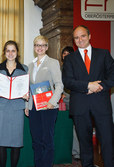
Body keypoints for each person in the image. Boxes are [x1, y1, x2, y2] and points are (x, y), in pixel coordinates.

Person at [62, 25, 114, 167]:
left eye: (83, 36)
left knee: (107, 142)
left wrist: (98, 86)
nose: (80, 39)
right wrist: (87, 86)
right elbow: (67, 81)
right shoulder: (69, 59)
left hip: (101, 104)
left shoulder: (103, 54)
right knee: (84, 145)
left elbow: (112, 75)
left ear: (89, 36)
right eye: (76, 37)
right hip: (80, 105)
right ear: (74, 40)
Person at [25, 35, 64, 167]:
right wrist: (27, 105)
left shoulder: (53, 62)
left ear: (47, 47)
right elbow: (28, 88)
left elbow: (59, 85)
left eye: (42, 45)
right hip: (34, 107)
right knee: (36, 141)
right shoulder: (30, 65)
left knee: (47, 140)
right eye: (37, 45)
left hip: (48, 107)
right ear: (34, 47)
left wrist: (53, 102)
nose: (39, 48)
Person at [0, 40, 29, 167]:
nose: (10, 53)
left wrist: (26, 94)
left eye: (13, 50)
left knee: (16, 143)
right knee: (1, 142)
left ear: (17, 52)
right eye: (8, 50)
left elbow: (28, 88)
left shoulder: (24, 69)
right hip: (1, 108)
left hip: (17, 108)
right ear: (4, 53)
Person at [61, 46, 81, 160]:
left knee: (76, 126)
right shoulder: (60, 67)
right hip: (62, 101)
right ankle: (65, 151)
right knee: (63, 125)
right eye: (64, 53)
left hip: (75, 100)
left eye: (68, 53)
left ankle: (77, 152)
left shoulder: (77, 66)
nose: (66, 55)